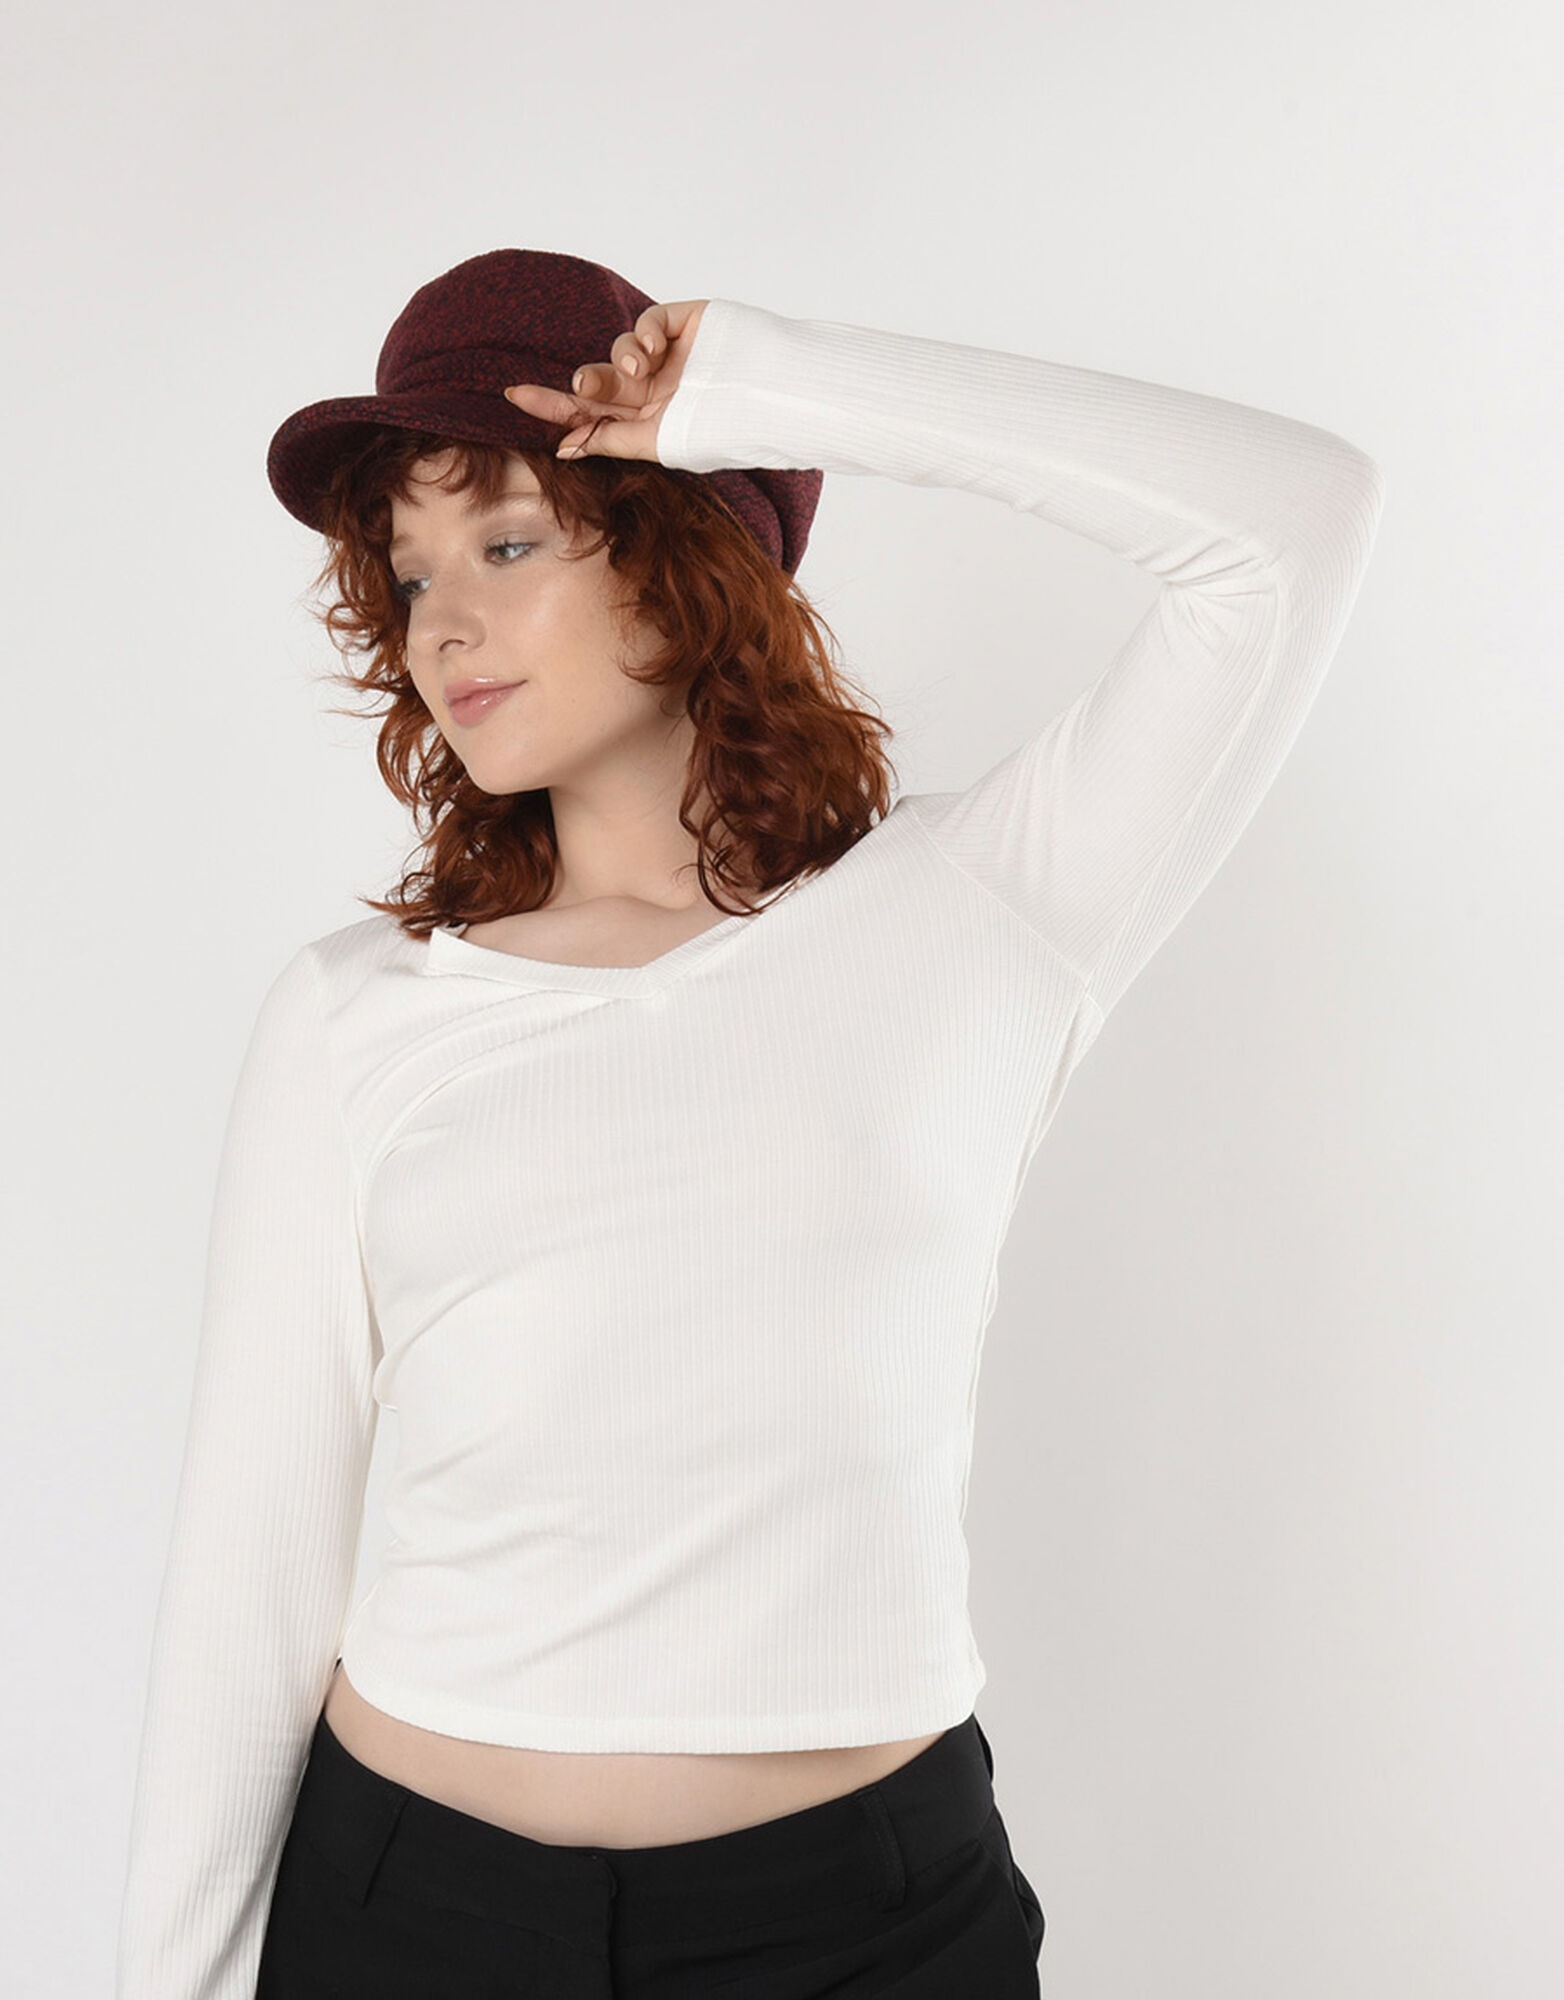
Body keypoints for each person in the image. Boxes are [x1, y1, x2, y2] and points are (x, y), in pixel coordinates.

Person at [115, 248, 1384, 1998]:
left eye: (507, 544)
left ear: (681, 543)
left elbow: (1295, 524)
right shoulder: (356, 1017)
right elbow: (246, 1579)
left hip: (867, 1931)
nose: (443, 624)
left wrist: (767, 395)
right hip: (414, 1913)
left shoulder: (984, 914)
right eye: (409, 575)